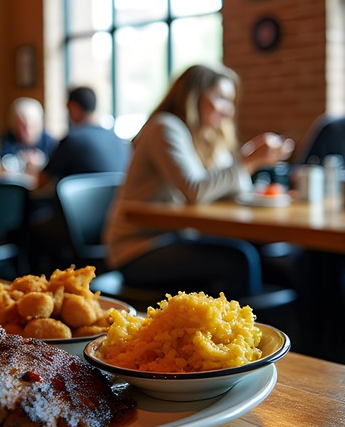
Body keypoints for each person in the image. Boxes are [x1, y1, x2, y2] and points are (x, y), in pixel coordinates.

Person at [103, 63, 295, 299]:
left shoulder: (206, 135)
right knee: (238, 260)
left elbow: (233, 190)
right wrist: (249, 160)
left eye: (231, 101)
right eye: (221, 98)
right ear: (193, 97)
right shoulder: (164, 127)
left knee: (268, 251)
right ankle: (233, 324)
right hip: (138, 248)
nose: (229, 110)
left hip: (178, 237)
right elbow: (196, 191)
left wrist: (249, 161)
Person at [36, 86, 131, 187]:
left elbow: (42, 180)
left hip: (83, 197)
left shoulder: (72, 140)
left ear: (73, 107)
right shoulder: (117, 139)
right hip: (118, 196)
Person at [0, 97, 58, 173]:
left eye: (32, 126)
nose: (27, 131)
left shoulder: (51, 143)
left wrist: (41, 162)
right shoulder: (7, 140)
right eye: (22, 126)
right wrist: (22, 159)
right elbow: (2, 162)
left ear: (39, 124)